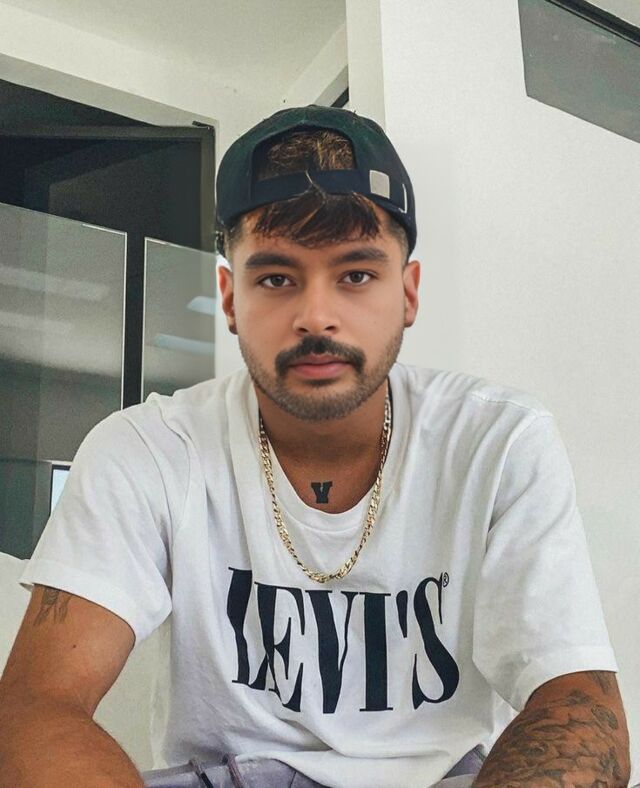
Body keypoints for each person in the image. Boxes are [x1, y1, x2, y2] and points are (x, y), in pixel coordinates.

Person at [0, 105, 630, 788]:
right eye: (276, 278)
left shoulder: (497, 442)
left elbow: (581, 704)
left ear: (408, 293)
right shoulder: (149, 450)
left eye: (356, 274)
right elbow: (37, 705)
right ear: (230, 298)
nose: (316, 317)